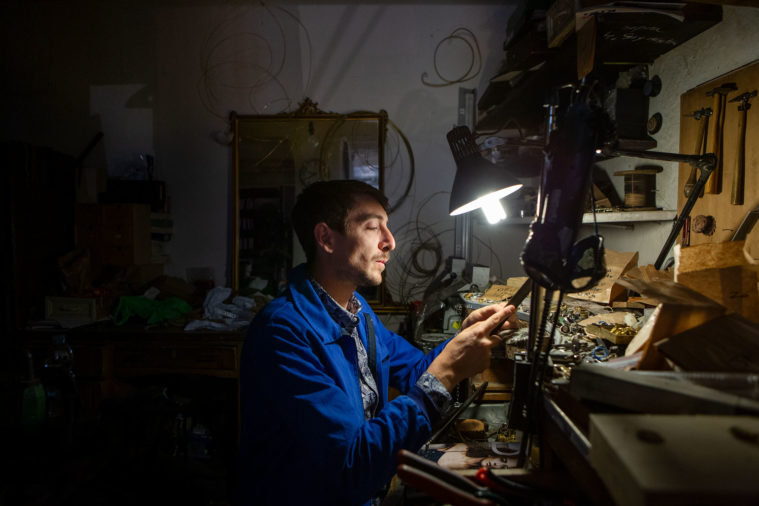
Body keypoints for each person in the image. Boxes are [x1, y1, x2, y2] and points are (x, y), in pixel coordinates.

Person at [235, 180, 517, 505]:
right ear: (326, 238)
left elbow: (416, 372)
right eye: (373, 227)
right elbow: (351, 464)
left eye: (388, 227)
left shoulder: (357, 310)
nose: (390, 242)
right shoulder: (284, 332)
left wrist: (465, 337)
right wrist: (447, 372)